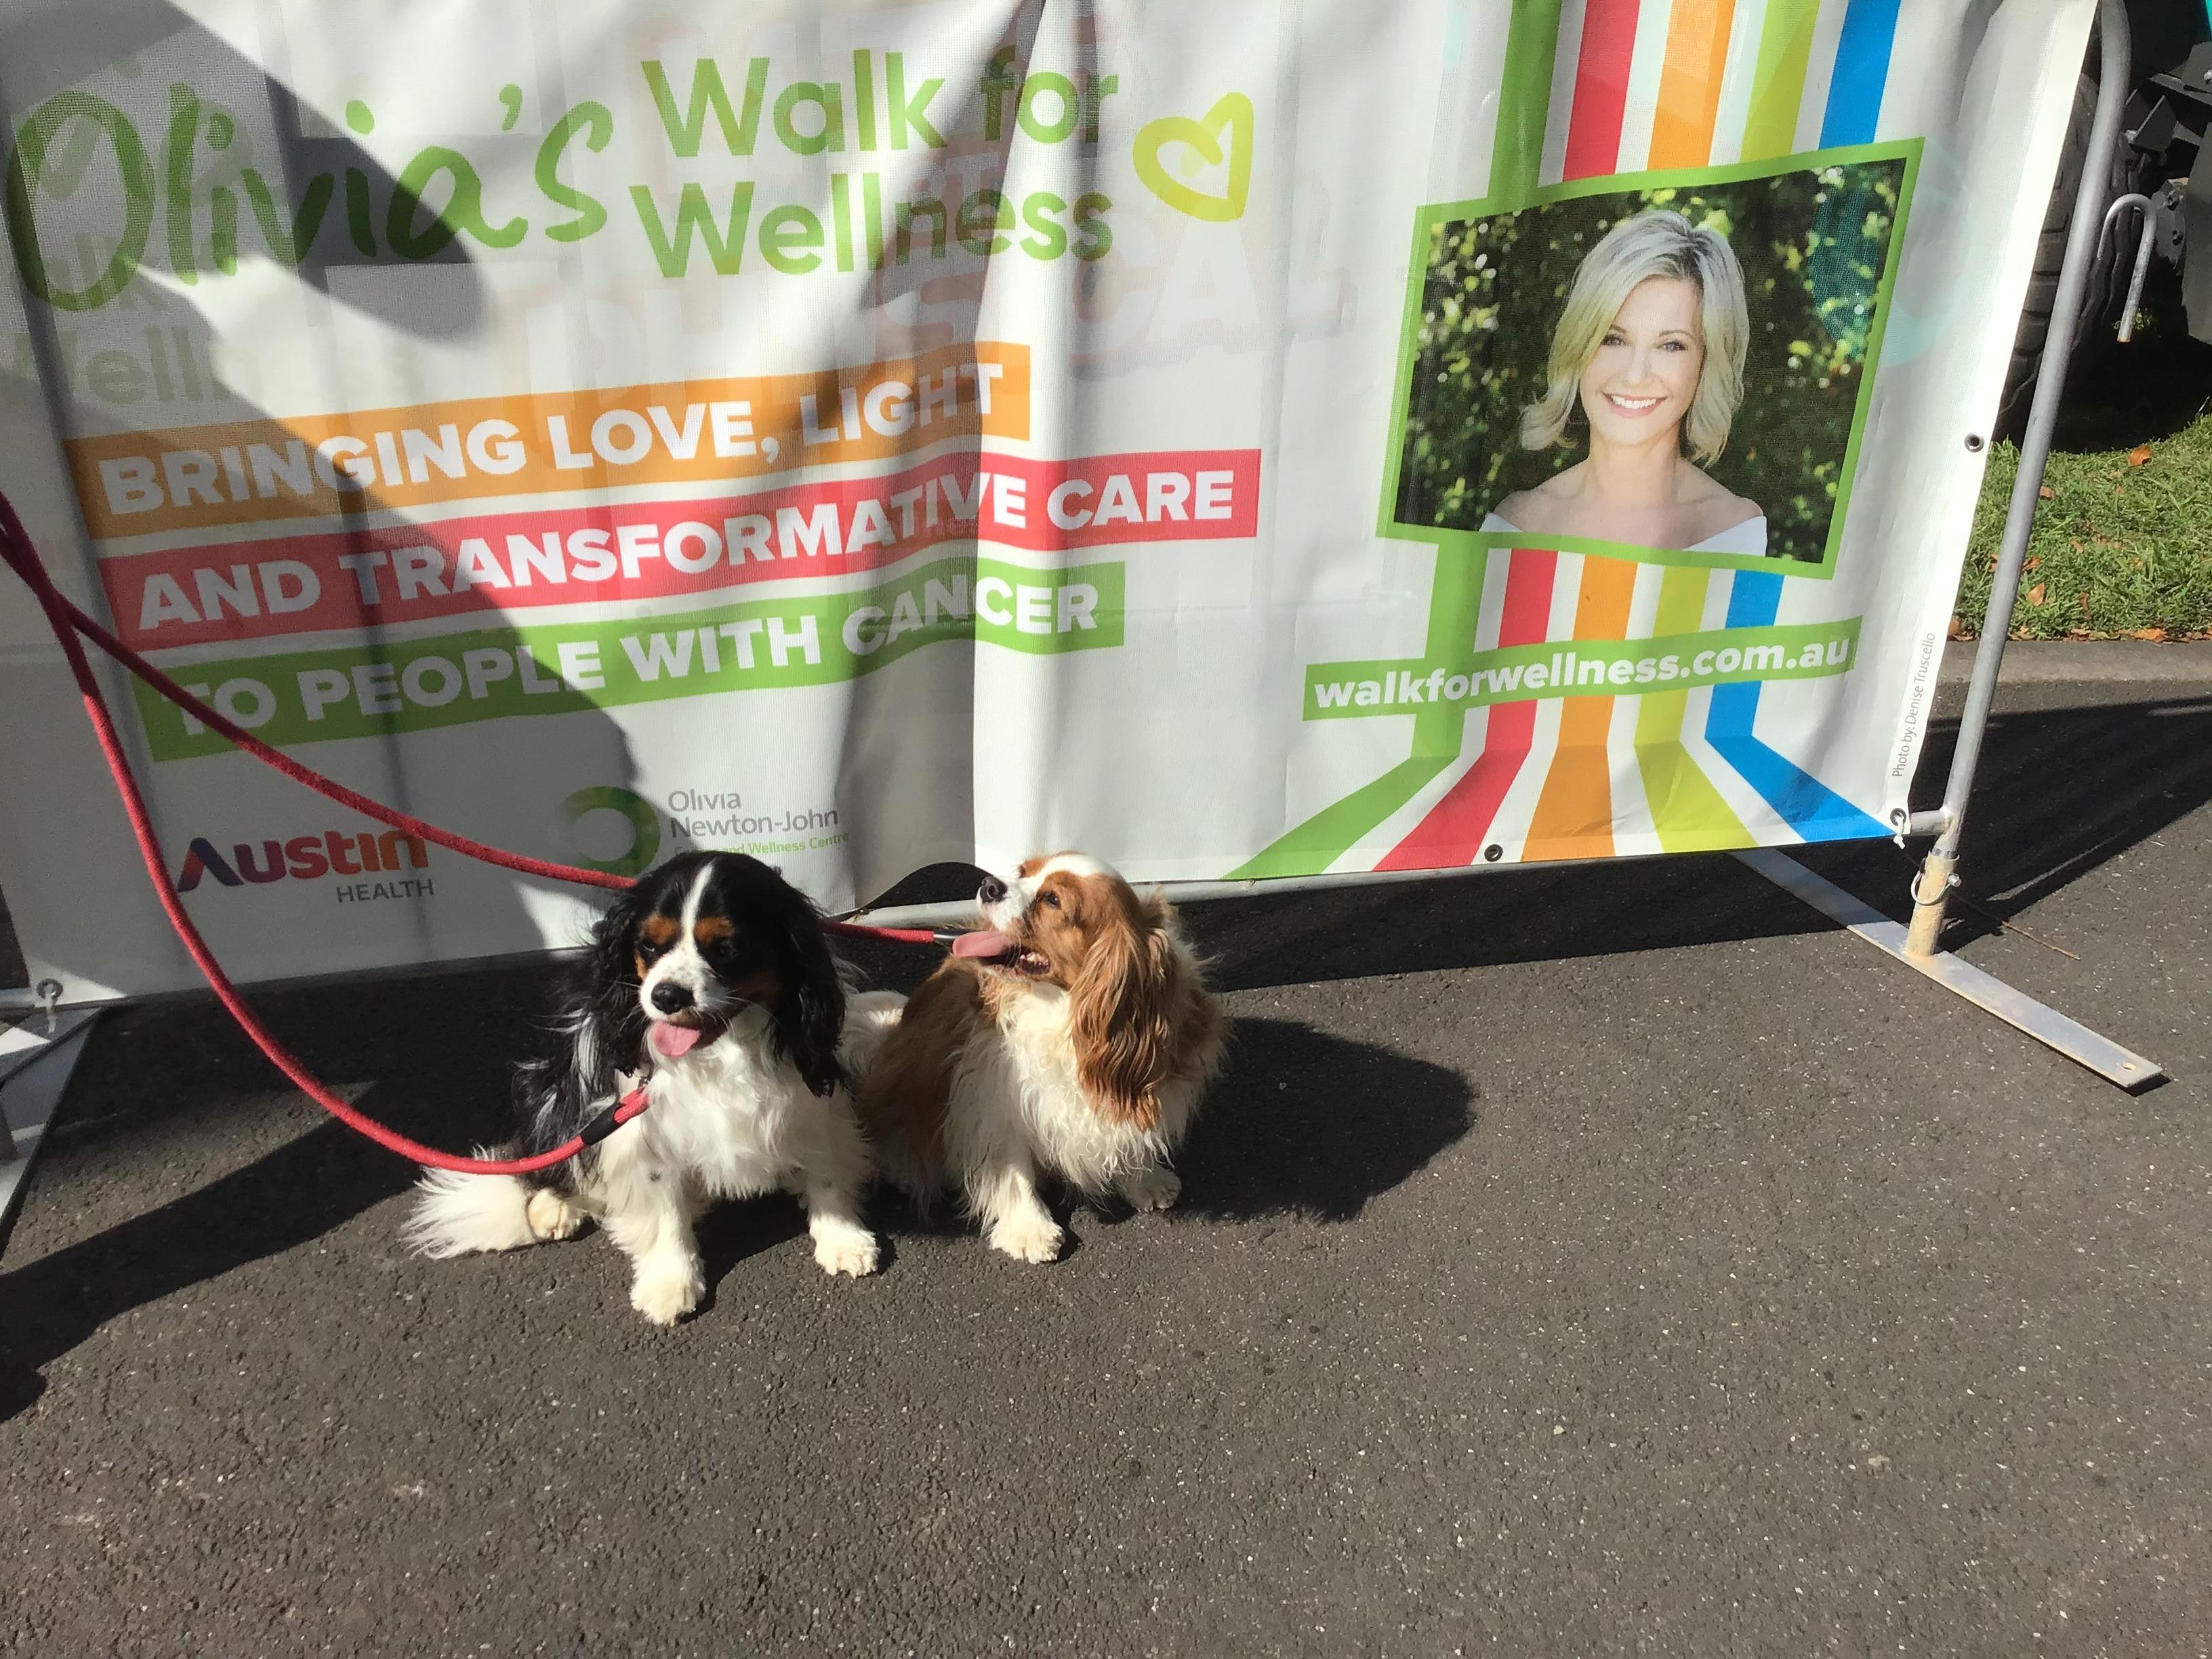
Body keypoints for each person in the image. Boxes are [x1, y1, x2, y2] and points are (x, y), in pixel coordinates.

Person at [1488, 208, 1765, 555]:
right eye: (1613, 339)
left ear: (1705, 364)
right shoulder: (1516, 525)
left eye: (1671, 345)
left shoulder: (1733, 533)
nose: (1635, 376)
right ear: (1579, 345)